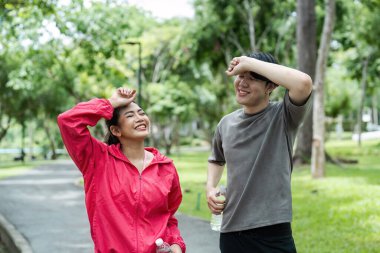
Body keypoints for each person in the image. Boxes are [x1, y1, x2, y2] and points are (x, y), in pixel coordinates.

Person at [206, 52, 313, 253]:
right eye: (240, 76)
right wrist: (210, 188)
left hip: (272, 232)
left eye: (253, 77)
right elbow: (216, 159)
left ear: (271, 86)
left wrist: (248, 62)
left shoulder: (283, 116)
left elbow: (303, 83)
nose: (242, 83)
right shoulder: (226, 123)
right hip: (232, 231)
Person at [57, 87, 185, 253]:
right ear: (116, 130)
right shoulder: (98, 160)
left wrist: (176, 246)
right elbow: (67, 121)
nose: (140, 118)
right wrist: (110, 103)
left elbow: (168, 218)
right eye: (130, 115)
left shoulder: (165, 167)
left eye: (141, 113)